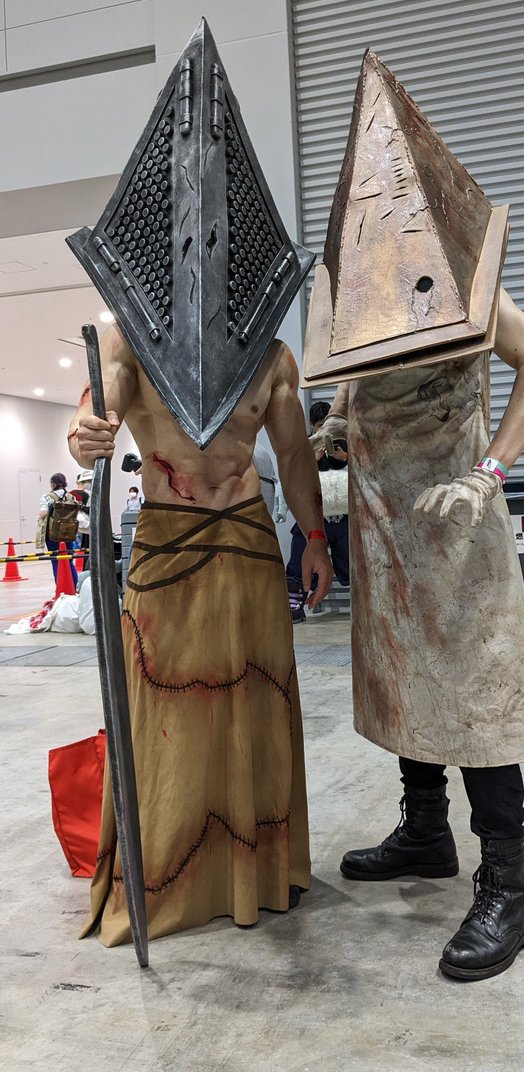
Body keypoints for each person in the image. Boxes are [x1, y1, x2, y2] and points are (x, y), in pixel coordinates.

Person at [305, 49, 524, 982]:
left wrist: (489, 473)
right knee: (403, 682)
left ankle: (509, 884)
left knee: (475, 696)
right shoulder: (361, 290)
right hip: (385, 523)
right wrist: (338, 424)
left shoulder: (462, 281)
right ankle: (425, 831)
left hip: (456, 525)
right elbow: (358, 374)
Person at [67, 325, 333, 945]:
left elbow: (294, 454)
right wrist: (85, 436)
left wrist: (316, 537)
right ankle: (166, 874)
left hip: (249, 540)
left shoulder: (269, 353)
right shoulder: (131, 339)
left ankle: (258, 869)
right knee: (162, 713)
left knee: (259, 705)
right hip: (168, 540)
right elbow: (93, 413)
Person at [286, 400, 350, 622]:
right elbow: (293, 477)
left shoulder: (348, 443)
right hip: (314, 514)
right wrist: (312, 461)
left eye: (327, 424)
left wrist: (345, 457)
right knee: (299, 552)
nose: (324, 430)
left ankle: (368, 600)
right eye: (320, 425)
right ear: (313, 425)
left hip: (345, 515)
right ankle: (295, 601)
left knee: (355, 561)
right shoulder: (306, 446)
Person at [37, 473, 79, 588]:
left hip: (53, 534)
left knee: (56, 561)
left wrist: (40, 515)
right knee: (69, 561)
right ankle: (75, 587)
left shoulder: (47, 497)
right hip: (68, 533)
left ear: (53, 484)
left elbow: (43, 513)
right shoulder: (71, 496)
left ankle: (61, 588)